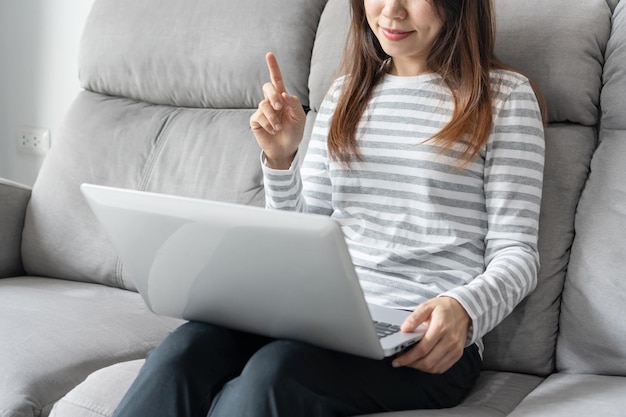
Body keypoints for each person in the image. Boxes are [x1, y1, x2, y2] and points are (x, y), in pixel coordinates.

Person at [112, 0, 545, 416]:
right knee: (184, 351)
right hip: (318, 314)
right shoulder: (347, 93)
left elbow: (517, 251)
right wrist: (281, 162)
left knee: (275, 372)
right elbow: (299, 239)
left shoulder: (504, 96)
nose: (391, 11)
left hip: (422, 337)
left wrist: (465, 310)